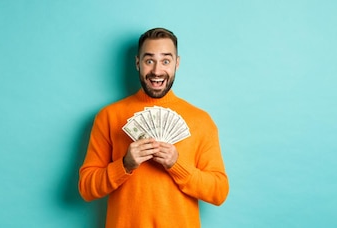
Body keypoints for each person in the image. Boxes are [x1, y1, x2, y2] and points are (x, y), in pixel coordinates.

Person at [78, 27, 229, 228]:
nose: (157, 71)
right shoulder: (109, 116)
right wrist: (124, 165)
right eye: (149, 60)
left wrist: (177, 165)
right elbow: (86, 188)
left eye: (166, 61)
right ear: (138, 63)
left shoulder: (201, 120)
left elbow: (219, 192)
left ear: (177, 63)